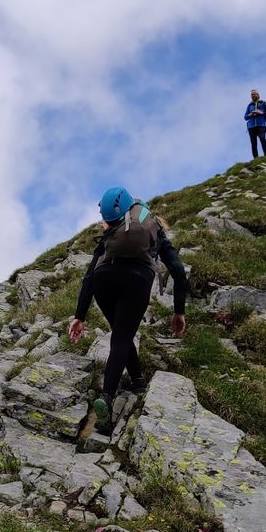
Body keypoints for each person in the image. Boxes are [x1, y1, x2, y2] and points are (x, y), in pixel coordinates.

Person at [69, 186, 188, 438]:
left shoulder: (111, 234)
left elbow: (89, 275)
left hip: (103, 280)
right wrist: (178, 312)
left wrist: (79, 315)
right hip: (137, 278)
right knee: (122, 337)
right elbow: (178, 271)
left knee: (120, 333)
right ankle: (107, 398)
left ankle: (137, 380)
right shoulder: (153, 230)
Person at [244, 90, 266, 158]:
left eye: (254, 94)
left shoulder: (263, 103)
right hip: (251, 127)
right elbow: (245, 117)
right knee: (253, 143)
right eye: (251, 95)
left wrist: (260, 112)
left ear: (258, 95)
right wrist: (250, 114)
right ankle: (256, 158)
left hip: (261, 125)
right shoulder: (249, 105)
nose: (252, 96)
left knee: (262, 139)